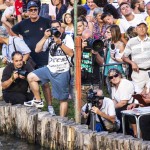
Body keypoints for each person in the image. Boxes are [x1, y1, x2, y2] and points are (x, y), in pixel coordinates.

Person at [25, 20, 74, 117]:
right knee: (31, 77)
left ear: (62, 28)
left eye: (58, 27)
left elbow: (71, 53)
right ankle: (38, 100)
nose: (56, 29)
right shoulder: (49, 38)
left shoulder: (67, 38)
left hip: (62, 71)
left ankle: (62, 120)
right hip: (49, 68)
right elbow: (37, 49)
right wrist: (45, 37)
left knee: (62, 99)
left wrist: (60, 43)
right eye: (53, 28)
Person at [11, 1, 52, 113]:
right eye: (31, 10)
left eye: (35, 9)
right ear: (27, 11)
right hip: (29, 58)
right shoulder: (23, 24)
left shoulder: (46, 21)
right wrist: (19, 40)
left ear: (38, 10)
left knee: (45, 83)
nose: (33, 12)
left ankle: (50, 106)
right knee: (30, 80)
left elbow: (55, 30)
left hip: (43, 56)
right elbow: (12, 30)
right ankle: (36, 102)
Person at [107, 68, 141, 133]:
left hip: (136, 104)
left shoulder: (124, 83)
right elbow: (114, 100)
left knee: (118, 111)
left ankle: (130, 133)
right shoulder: (113, 86)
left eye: (115, 75)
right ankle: (122, 131)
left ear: (120, 75)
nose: (113, 78)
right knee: (114, 111)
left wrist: (111, 108)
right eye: (111, 77)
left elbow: (123, 102)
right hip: (126, 105)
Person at [122, 22, 150, 90]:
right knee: (137, 95)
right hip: (138, 73)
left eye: (143, 27)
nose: (142, 29)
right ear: (136, 29)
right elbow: (124, 57)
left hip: (149, 71)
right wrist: (132, 63)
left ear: (147, 28)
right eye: (139, 27)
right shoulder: (131, 41)